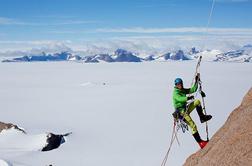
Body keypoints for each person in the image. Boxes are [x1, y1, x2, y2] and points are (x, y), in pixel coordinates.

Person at [172, 74, 212, 149]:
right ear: (176, 85)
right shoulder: (175, 93)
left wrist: (196, 81)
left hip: (185, 109)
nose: (180, 85)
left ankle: (202, 117)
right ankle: (200, 143)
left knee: (197, 102)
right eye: (178, 84)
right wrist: (188, 98)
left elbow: (193, 89)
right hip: (181, 112)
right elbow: (180, 99)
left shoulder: (182, 90)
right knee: (193, 126)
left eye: (181, 83)